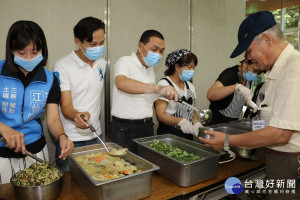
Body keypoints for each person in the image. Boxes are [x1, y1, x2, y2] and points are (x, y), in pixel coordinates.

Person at [199, 11, 300, 200]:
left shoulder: (294, 69)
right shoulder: (274, 71)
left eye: (250, 51)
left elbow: (280, 132)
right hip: (277, 158)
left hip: (289, 163)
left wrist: (227, 140)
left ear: (267, 40)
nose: (250, 58)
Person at [0, 20, 74, 184]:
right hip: (2, 155)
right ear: (11, 51)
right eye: (21, 53)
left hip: (35, 152)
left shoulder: (49, 79)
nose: (29, 59)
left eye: (35, 52)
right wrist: (4, 128)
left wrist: (62, 136)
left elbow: (53, 119)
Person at [109, 30, 178, 154]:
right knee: (124, 167)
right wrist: (158, 88)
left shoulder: (150, 69)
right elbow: (122, 83)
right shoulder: (125, 62)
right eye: (154, 49)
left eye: (161, 51)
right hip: (124, 128)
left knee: (146, 164)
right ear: (140, 46)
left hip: (146, 126)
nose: (158, 54)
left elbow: (146, 96)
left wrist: (162, 95)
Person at [53, 17, 106, 171]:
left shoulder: (102, 64)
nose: (98, 47)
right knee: (70, 190)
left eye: (102, 43)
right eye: (93, 44)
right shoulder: (62, 66)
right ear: (78, 41)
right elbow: (66, 106)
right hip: (70, 141)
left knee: (98, 180)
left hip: (96, 137)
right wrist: (77, 115)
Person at [155, 49, 202, 140]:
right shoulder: (164, 85)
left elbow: (192, 110)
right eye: (189, 67)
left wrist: (196, 123)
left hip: (187, 134)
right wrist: (181, 122)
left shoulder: (190, 86)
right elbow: (160, 115)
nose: (192, 70)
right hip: (169, 135)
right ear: (177, 67)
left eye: (193, 67)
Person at [207, 57, 261, 125]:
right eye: (254, 70)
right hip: (216, 121)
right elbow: (210, 94)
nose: (255, 75)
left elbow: (235, 98)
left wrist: (247, 103)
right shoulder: (230, 74)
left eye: (259, 73)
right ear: (245, 63)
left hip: (232, 121)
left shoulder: (248, 80)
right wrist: (236, 87)